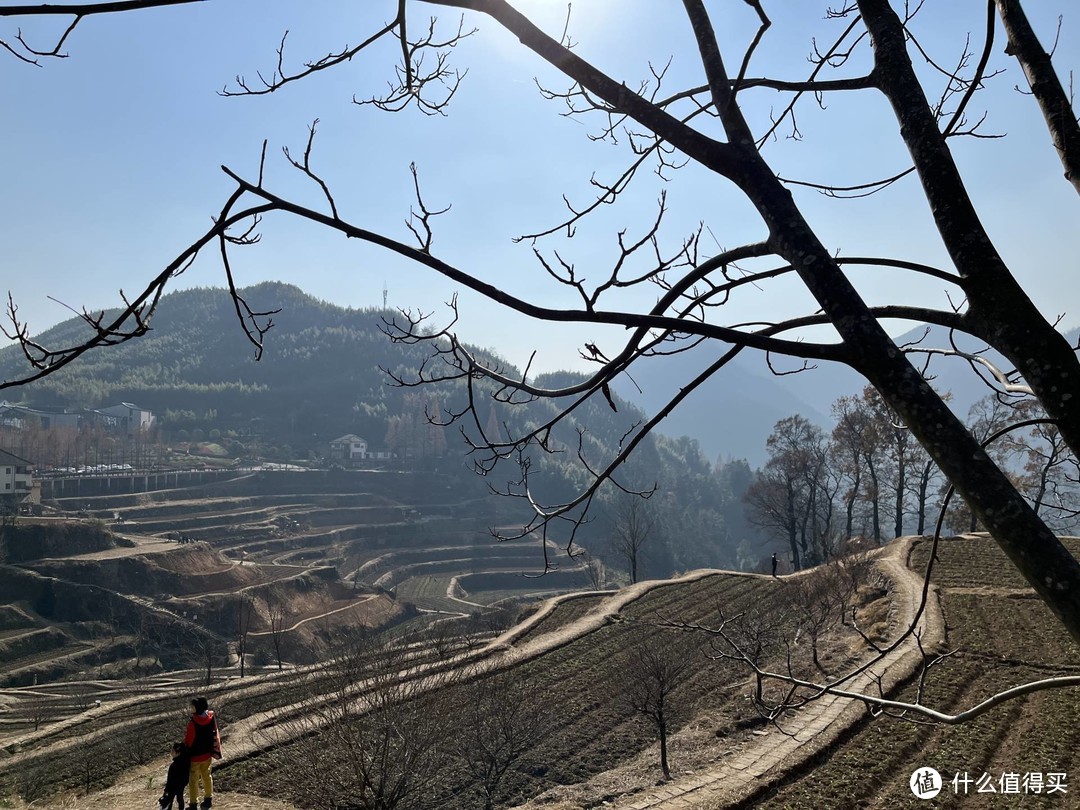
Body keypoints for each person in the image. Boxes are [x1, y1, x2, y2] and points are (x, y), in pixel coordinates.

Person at [183, 696, 222, 810]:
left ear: (197, 708)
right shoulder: (210, 717)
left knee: (193, 781)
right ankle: (208, 799)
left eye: (192, 706)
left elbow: (189, 741)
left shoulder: (193, 722)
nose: (191, 708)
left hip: (195, 756)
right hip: (207, 754)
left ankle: (193, 804)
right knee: (207, 776)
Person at [159, 742, 190, 810]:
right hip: (181, 786)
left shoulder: (173, 766)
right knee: (180, 799)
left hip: (172, 788)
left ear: (178, 753)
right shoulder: (186, 763)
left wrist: (166, 790)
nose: (171, 753)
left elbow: (169, 780)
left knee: (170, 801)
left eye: (173, 751)